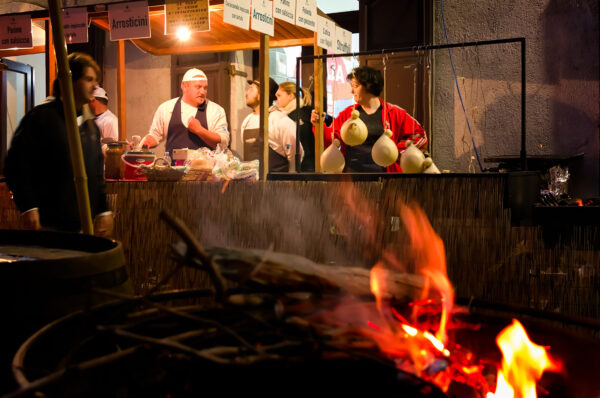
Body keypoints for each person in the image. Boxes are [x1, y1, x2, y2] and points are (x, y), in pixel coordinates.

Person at [4, 52, 113, 236]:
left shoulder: (90, 126)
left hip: (82, 228)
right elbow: (15, 164)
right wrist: (28, 206)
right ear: (70, 80)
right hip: (48, 226)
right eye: (88, 79)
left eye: (95, 80)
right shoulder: (41, 118)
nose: (95, 86)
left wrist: (103, 210)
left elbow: (95, 174)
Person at [311, 65, 427, 172]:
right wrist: (318, 125)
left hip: (385, 179)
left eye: (356, 86)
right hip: (351, 178)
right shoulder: (347, 114)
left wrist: (395, 152)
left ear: (369, 86)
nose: (352, 91)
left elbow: (420, 135)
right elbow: (328, 141)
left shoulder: (394, 113)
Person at [139, 68, 230, 156]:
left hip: (204, 170)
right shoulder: (166, 108)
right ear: (184, 86)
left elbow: (223, 142)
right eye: (198, 87)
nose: (202, 92)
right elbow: (155, 135)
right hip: (172, 170)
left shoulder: (216, 110)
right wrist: (145, 143)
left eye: (205, 88)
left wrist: (199, 130)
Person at [241, 78, 302, 173]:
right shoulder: (247, 121)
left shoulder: (280, 120)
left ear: (262, 94)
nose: (246, 93)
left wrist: (290, 178)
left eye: (251, 89)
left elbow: (296, 154)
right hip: (251, 185)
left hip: (276, 185)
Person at [275, 81, 315, 172]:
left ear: (291, 96)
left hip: (307, 168)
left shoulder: (307, 113)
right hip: (292, 168)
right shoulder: (280, 116)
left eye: (279, 95)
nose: (275, 99)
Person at [89, 86, 118, 151]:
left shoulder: (110, 121)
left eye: (89, 101)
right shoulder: (91, 119)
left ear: (93, 100)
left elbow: (113, 149)